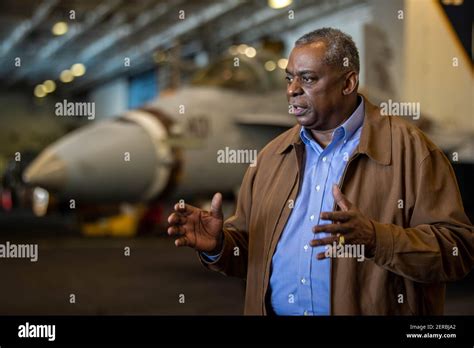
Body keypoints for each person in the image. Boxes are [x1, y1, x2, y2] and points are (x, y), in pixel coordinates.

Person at [167, 28, 473, 315]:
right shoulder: (271, 158)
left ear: (348, 83)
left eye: (308, 79)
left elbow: (458, 250)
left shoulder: (413, 151)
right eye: (289, 79)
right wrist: (220, 246)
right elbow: (250, 253)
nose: (292, 91)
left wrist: (376, 240)